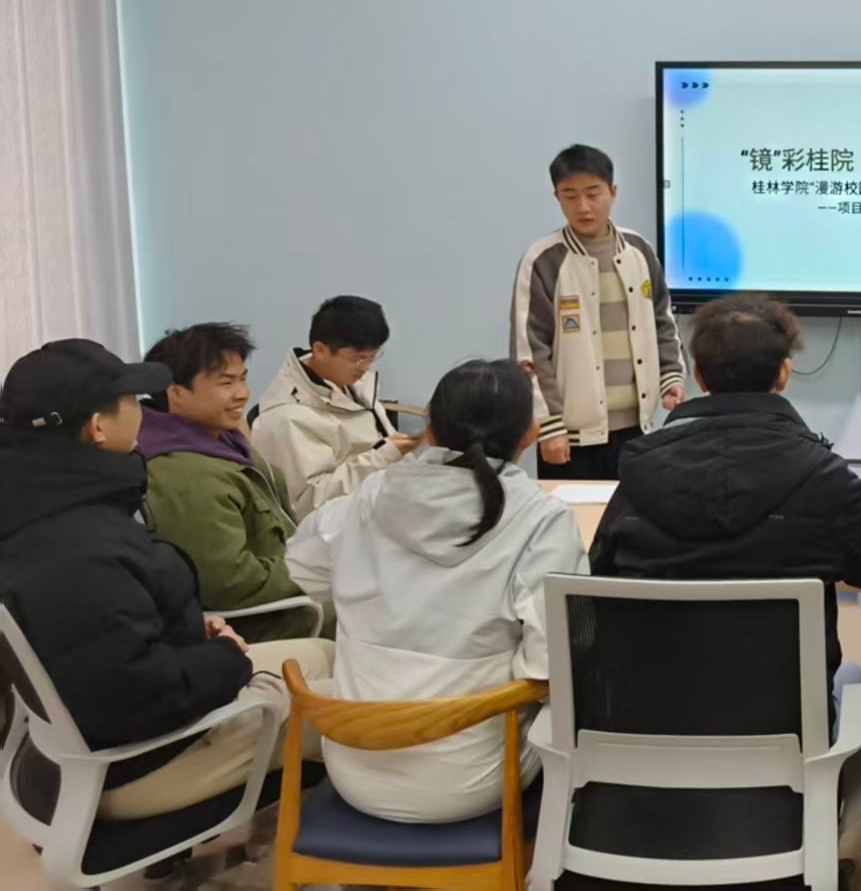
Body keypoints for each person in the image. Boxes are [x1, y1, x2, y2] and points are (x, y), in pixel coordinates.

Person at [0, 339, 332, 822]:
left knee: (326, 655)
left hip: (89, 742)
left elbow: (103, 637)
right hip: (136, 763)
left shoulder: (42, 502)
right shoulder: (79, 546)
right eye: (131, 400)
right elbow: (136, 695)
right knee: (349, 707)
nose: (143, 411)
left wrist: (188, 628)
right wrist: (225, 658)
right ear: (98, 427)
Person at [286, 359, 586, 823]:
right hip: (474, 781)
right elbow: (552, 666)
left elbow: (300, 569)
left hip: (353, 766)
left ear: (429, 429)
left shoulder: (368, 497)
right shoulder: (542, 520)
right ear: (530, 434)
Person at [589, 293, 861, 699]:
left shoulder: (637, 477)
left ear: (699, 376)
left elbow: (598, 582)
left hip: (648, 719)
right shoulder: (824, 479)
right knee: (854, 681)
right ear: (784, 373)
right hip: (788, 725)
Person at [139, 322, 328, 641]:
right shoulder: (185, 472)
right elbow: (227, 582)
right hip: (264, 621)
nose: (242, 393)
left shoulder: (222, 441)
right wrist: (315, 569)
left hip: (289, 592)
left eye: (243, 378)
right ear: (176, 392)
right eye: (226, 383)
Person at [511, 144, 687, 480]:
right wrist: (549, 426)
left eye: (593, 194)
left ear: (613, 192)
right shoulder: (543, 259)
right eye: (570, 196)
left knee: (634, 512)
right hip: (571, 438)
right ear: (557, 197)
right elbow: (530, 350)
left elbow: (662, 320)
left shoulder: (638, 249)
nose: (583, 207)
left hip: (639, 429)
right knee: (573, 515)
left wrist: (671, 376)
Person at [253, 295, 418, 516]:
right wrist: (383, 456)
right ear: (320, 350)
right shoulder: (285, 419)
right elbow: (305, 507)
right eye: (359, 359)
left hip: (386, 506)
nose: (366, 368)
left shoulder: (352, 384)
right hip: (338, 528)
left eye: (373, 357)